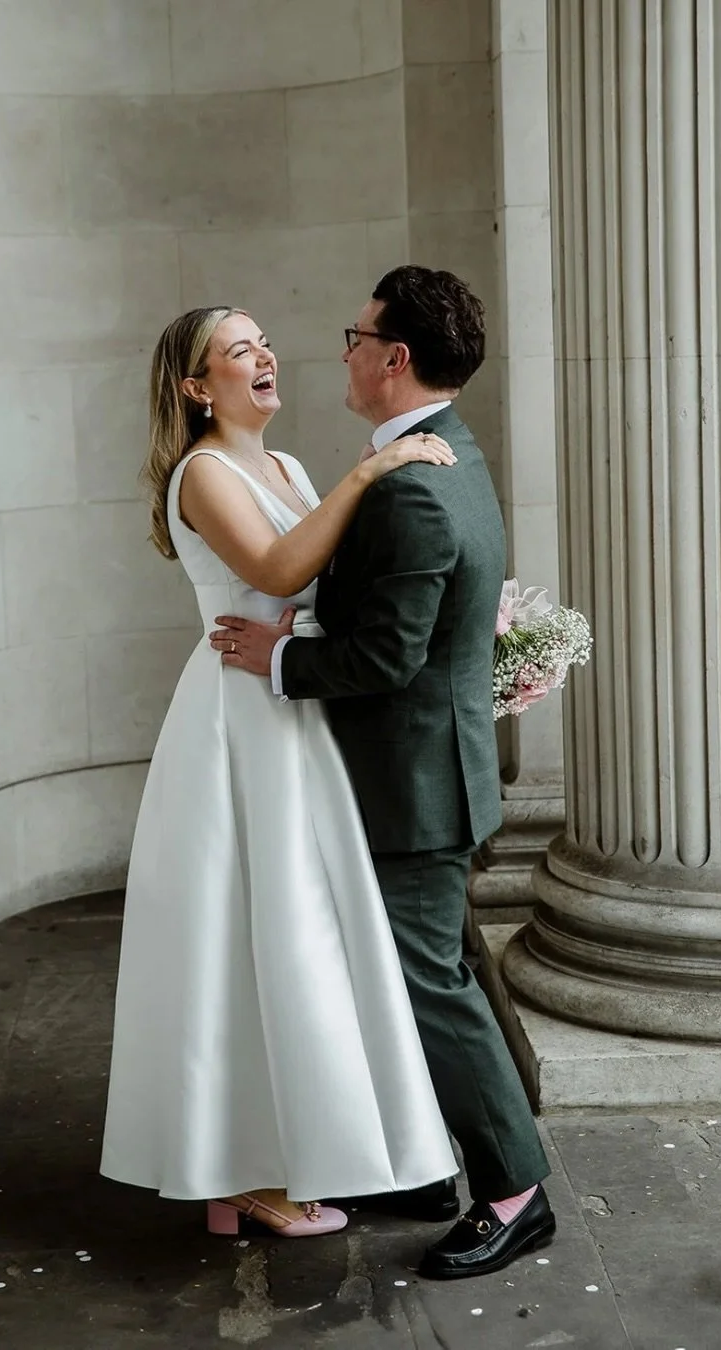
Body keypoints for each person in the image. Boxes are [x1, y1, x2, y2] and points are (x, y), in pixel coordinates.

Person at [209, 266, 556, 1279]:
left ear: (394, 358)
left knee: (431, 986)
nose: (345, 352)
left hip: (414, 788)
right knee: (444, 977)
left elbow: (384, 658)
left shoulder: (410, 485)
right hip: (432, 776)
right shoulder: (449, 455)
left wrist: (272, 657)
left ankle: (513, 1190)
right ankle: (417, 1167)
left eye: (355, 336)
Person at [100, 305, 461, 1238]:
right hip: (235, 719)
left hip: (291, 704)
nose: (264, 356)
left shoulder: (290, 466)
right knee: (247, 935)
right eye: (237, 350)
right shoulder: (202, 472)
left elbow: (324, 585)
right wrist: (375, 467)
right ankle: (237, 1174)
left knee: (295, 936)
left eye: (262, 343)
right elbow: (276, 560)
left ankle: (277, 1158)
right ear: (195, 387)